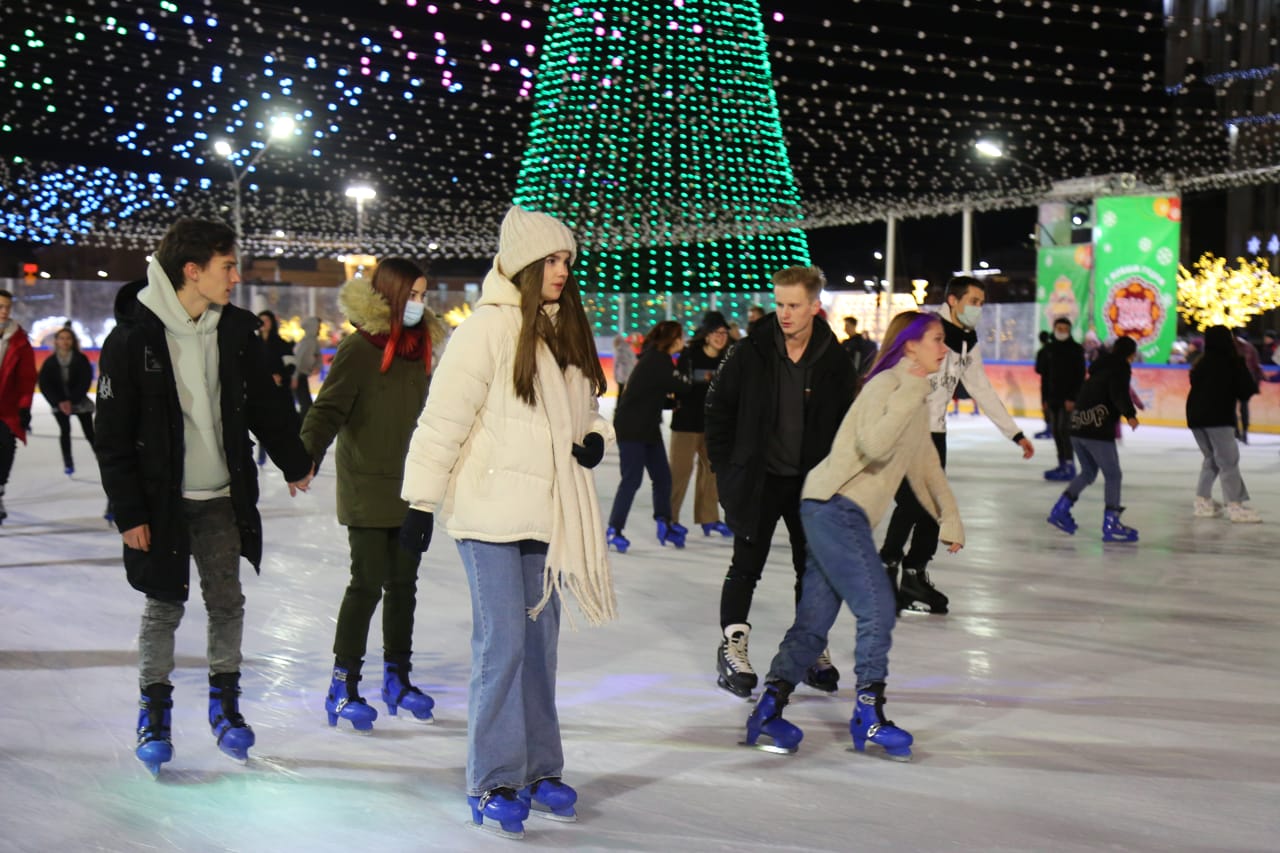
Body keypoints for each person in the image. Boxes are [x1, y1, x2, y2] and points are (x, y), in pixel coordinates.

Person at [400, 206, 615, 839]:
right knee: (505, 644)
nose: (561, 270)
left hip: (547, 515)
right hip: (488, 516)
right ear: (523, 265)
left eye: (567, 260)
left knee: (540, 647)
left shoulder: (565, 330)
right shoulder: (485, 332)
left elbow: (589, 410)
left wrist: (596, 438)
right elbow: (442, 423)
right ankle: (493, 775)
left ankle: (539, 767)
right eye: (551, 260)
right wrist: (419, 503)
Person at [94, 218, 315, 776]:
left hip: (220, 496)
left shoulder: (235, 332)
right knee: (164, 605)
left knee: (226, 603)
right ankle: (155, 712)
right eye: (227, 267)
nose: (236, 277)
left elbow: (266, 405)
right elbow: (113, 435)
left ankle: (226, 705)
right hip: (161, 503)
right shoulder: (133, 336)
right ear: (192, 271)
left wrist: (293, 460)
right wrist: (127, 511)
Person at [743, 311, 961, 760]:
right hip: (834, 505)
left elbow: (925, 468)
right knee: (878, 606)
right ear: (911, 346)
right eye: (937, 340)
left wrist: (950, 519)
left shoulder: (912, 398)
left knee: (814, 622)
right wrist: (912, 388)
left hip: (837, 511)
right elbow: (875, 445)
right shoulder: (886, 388)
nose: (945, 349)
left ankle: (769, 708)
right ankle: (869, 711)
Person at [300, 259, 447, 732]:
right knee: (367, 583)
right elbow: (328, 409)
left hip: (411, 489)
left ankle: (397, 679)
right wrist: (305, 456)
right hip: (366, 486)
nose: (421, 305)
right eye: (415, 295)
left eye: (426, 296)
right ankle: (342, 685)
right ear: (391, 294)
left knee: (404, 585)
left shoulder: (421, 349)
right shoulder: (359, 348)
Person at [705, 265, 858, 698]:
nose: (785, 313)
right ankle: (732, 647)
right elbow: (717, 410)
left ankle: (810, 647)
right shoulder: (750, 351)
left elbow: (849, 426)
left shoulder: (834, 360)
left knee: (811, 570)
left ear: (815, 307)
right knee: (746, 565)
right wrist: (726, 466)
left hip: (811, 486)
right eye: (779, 304)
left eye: (793, 305)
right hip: (758, 480)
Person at [879, 276, 1033, 615]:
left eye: (981, 302)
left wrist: (1014, 433)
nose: (978, 308)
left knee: (934, 506)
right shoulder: (923, 330)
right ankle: (886, 568)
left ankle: (914, 573)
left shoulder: (967, 341)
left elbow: (981, 388)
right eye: (973, 301)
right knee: (911, 503)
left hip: (935, 433)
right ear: (952, 300)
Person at [606, 320, 692, 551]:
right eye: (681, 338)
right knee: (632, 480)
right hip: (632, 428)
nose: (684, 342)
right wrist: (686, 360)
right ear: (673, 340)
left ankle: (663, 521)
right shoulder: (658, 360)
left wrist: (668, 401)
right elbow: (684, 385)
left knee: (663, 477)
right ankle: (614, 529)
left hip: (647, 426)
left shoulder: (654, 359)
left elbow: (651, 392)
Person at [1046, 335, 1140, 542]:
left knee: (1088, 472)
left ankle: (1060, 509)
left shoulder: (1099, 368)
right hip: (1096, 430)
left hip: (1077, 427)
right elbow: (1119, 392)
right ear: (1130, 354)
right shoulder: (1120, 368)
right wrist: (1130, 414)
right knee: (1113, 475)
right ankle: (1111, 522)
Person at [1186, 326, 1261, 523]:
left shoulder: (1200, 363)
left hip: (1195, 417)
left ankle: (1202, 501)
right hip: (1218, 417)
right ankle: (1234, 505)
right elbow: (1246, 390)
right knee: (1228, 461)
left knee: (1211, 458)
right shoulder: (1233, 362)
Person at [668, 312, 732, 539]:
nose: (720, 337)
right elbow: (676, 383)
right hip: (686, 424)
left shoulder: (728, 358)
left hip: (713, 426)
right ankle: (670, 519)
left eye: (724, 332)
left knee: (712, 473)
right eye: (716, 332)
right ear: (706, 335)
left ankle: (710, 518)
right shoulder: (690, 355)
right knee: (679, 473)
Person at [38, 327, 96, 476]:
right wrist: (58, 402)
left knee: (90, 432)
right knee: (65, 431)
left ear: (73, 341)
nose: (65, 341)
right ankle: (68, 462)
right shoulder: (50, 362)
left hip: (79, 401)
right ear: (56, 341)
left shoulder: (81, 359)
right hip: (59, 404)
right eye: (61, 338)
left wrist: (72, 400)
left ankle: (102, 458)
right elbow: (45, 384)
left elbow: (85, 380)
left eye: (68, 338)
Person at [0, 288, 36, 525]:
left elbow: (26, 378)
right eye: (0, 307)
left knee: (4, 450)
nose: (4, 311)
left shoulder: (19, 339)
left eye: (7, 307)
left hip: (6, 409)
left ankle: (0, 490)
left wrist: (24, 407)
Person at [1040, 317, 1087, 481]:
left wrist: (1073, 398)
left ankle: (1069, 465)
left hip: (1069, 400)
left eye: (1064, 328)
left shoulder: (1076, 349)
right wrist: (1044, 399)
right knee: (1056, 431)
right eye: (1058, 328)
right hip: (1052, 398)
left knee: (1064, 430)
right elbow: (1045, 376)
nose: (1061, 331)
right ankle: (1062, 463)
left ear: (1069, 330)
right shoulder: (1049, 349)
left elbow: (1080, 376)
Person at [255, 310, 296, 465]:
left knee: (284, 423)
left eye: (267, 320)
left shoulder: (282, 344)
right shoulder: (252, 344)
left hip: (279, 391)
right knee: (261, 423)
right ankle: (261, 453)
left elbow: (291, 365)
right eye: (261, 320)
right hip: (259, 392)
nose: (264, 323)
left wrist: (281, 376)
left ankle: (290, 454)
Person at [1233, 332, 1264, 443]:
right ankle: (1243, 432)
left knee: (1232, 407)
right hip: (1246, 381)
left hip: (1234, 380)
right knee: (1244, 406)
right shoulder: (1251, 348)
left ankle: (1237, 431)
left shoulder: (1232, 345)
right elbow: (1256, 367)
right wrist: (1257, 383)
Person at [292, 316, 323, 417]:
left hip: (301, 376)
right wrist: (294, 377)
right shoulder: (307, 343)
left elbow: (318, 356)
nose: (320, 329)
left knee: (306, 405)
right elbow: (298, 360)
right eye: (318, 326)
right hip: (298, 376)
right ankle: (300, 427)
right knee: (306, 405)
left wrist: (318, 365)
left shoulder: (313, 342)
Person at [1032, 330, 1054, 439]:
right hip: (1057, 383)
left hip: (1046, 383)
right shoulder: (1055, 351)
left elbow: (1038, 369)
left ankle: (1050, 427)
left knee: (1046, 404)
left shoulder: (1042, 352)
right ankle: (1054, 427)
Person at [612, 332, 636, 400]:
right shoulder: (629, 348)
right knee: (628, 392)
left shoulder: (619, 350)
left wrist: (615, 376)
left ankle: (619, 408)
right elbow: (633, 360)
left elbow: (616, 364)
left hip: (622, 374)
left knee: (621, 392)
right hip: (630, 373)